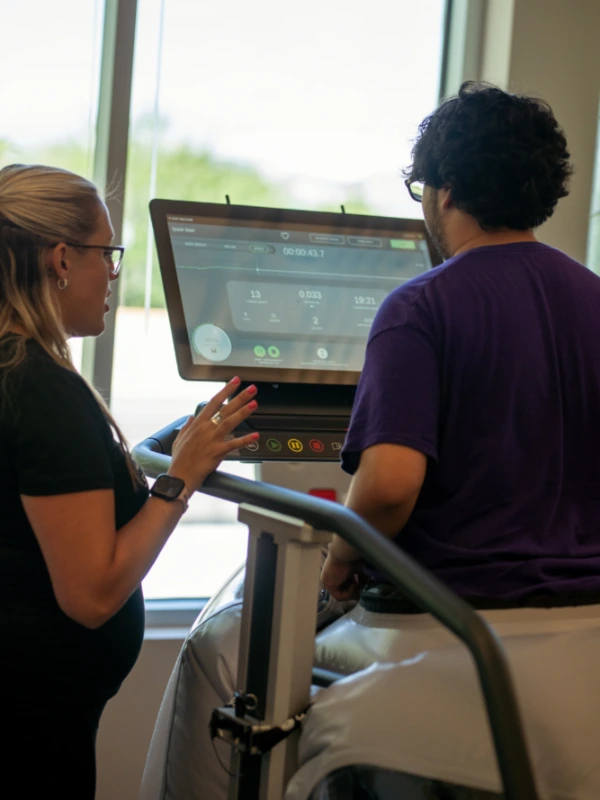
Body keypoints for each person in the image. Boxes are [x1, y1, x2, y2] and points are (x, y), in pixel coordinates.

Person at [0, 163, 259, 798]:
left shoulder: (14, 371)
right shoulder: (42, 391)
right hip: (32, 725)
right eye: (107, 254)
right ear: (62, 259)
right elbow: (92, 595)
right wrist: (181, 479)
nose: (113, 274)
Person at [321, 81, 600, 608]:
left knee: (235, 639)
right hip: (589, 621)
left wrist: (340, 556)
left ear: (445, 190)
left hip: (453, 616)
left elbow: (388, 490)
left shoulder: (417, 308)